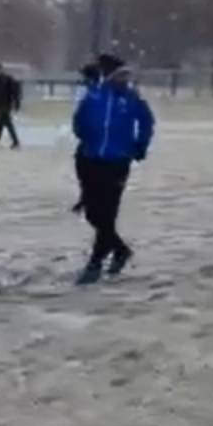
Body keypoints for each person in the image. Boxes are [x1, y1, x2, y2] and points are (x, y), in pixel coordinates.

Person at [71, 54, 154, 285]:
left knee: (108, 213)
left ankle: (95, 262)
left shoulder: (131, 98)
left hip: (117, 162)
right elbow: (79, 121)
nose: (124, 79)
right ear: (110, 77)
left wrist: (139, 146)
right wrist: (86, 138)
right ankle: (120, 249)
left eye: (126, 75)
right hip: (91, 159)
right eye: (120, 75)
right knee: (93, 213)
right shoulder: (95, 96)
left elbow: (147, 122)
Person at [70, 62, 102, 214]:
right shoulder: (90, 92)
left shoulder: (94, 94)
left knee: (87, 169)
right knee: (85, 169)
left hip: (93, 140)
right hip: (90, 139)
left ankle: (87, 199)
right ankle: (87, 198)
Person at [0, 62, 22, 149]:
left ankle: (13, 141)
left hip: (6, 103)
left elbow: (15, 91)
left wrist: (16, 102)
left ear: (2, 69)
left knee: (5, 122)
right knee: (2, 123)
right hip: (0, 103)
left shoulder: (8, 79)